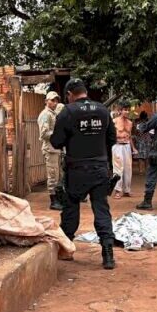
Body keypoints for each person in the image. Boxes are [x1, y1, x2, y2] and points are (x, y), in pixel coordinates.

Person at [50, 78, 117, 270]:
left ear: (70, 95)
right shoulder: (103, 110)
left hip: (77, 169)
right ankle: (108, 254)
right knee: (101, 209)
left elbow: (56, 141)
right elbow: (111, 138)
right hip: (99, 168)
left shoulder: (68, 111)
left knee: (71, 209)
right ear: (85, 91)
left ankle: (66, 248)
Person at [38, 91, 64, 211]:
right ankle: (53, 201)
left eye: (56, 100)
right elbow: (44, 133)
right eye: (52, 100)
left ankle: (58, 199)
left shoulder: (53, 114)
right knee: (52, 176)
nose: (54, 102)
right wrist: (58, 135)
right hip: (50, 149)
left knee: (58, 175)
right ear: (46, 101)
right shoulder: (45, 115)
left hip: (56, 149)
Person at [111, 102, 137, 199]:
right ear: (120, 111)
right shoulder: (114, 121)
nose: (126, 112)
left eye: (127, 110)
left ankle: (127, 190)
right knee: (118, 168)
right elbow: (110, 135)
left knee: (128, 168)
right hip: (117, 146)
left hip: (126, 146)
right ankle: (117, 190)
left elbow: (129, 137)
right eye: (124, 110)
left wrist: (133, 148)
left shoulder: (130, 123)